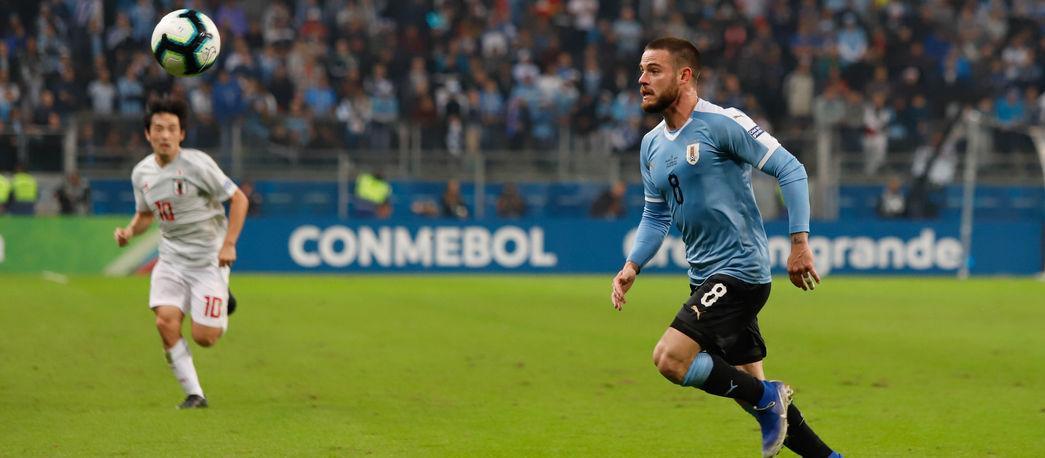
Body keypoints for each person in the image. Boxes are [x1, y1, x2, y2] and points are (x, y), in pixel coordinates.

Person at [610, 38, 841, 458]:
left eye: (653, 70)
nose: (641, 80)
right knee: (757, 401)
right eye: (641, 70)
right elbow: (655, 215)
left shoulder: (722, 122)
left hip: (739, 272)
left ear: (684, 76)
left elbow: (790, 168)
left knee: (670, 359)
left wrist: (799, 242)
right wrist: (632, 265)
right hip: (705, 278)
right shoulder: (651, 146)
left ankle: (769, 396)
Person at [113, 96, 249, 409]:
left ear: (182, 134)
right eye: (158, 128)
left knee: (205, 337)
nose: (164, 135)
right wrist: (130, 232)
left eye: (171, 129)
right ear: (147, 134)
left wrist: (229, 244)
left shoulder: (198, 165)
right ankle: (195, 394)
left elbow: (239, 199)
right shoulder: (141, 174)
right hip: (172, 258)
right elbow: (146, 214)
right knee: (165, 322)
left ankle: (222, 295)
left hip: (208, 260)